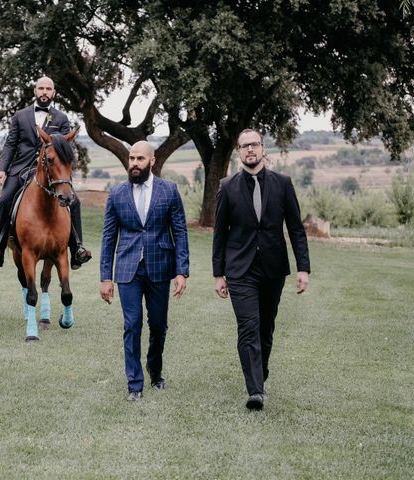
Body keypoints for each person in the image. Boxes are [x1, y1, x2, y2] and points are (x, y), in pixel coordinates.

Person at [212, 128, 311, 410]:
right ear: (239, 152)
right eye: (244, 146)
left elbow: (296, 228)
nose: (249, 150)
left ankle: (260, 372)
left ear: (263, 149)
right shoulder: (227, 186)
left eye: (254, 145)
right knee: (248, 327)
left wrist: (303, 268)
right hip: (240, 270)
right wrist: (219, 273)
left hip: (273, 268)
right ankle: (255, 391)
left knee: (266, 328)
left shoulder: (283, 184)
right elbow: (220, 233)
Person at [100, 140, 190, 401]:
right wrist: (106, 276)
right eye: (131, 159)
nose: (134, 164)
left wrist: (181, 271)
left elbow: (181, 232)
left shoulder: (169, 191)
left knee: (159, 325)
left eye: (140, 159)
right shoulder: (116, 194)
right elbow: (108, 238)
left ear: (152, 161)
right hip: (128, 269)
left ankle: (155, 368)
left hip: (160, 266)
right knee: (132, 324)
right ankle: (134, 384)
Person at [0, 76, 91, 269]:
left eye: (48, 89)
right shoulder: (20, 116)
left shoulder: (61, 118)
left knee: (74, 202)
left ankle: (77, 250)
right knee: (4, 200)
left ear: (54, 93)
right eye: (41, 88)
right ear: (35, 91)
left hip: (52, 170)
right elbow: (10, 144)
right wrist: (2, 170)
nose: (44, 92)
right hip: (21, 169)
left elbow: (64, 148)